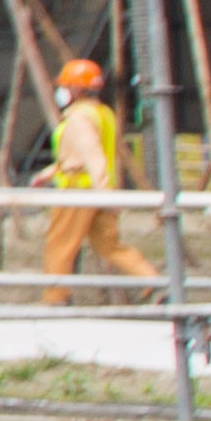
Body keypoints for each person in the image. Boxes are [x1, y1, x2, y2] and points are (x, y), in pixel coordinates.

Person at [32, 56, 142, 295]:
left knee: (59, 246)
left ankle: (55, 298)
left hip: (78, 192)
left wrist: (104, 194)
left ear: (75, 89)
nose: (60, 91)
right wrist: (48, 174)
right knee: (110, 246)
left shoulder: (78, 118)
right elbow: (79, 155)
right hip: (98, 189)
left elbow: (91, 155)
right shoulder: (102, 114)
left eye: (63, 86)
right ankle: (154, 283)